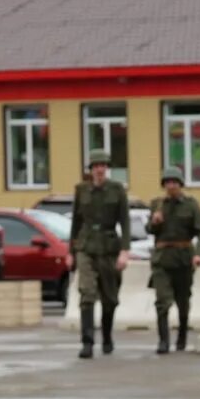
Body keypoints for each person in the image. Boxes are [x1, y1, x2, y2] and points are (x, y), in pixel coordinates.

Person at [65, 149, 131, 359]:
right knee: (87, 293)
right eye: (96, 166)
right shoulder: (81, 190)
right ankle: (87, 342)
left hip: (109, 248)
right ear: (91, 170)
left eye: (103, 166)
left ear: (107, 168)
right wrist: (71, 252)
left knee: (110, 298)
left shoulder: (117, 189)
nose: (100, 170)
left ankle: (108, 337)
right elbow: (76, 222)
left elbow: (125, 221)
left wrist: (124, 251)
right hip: (85, 247)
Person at [146, 166, 200, 353]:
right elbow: (149, 230)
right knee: (162, 301)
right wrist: (154, 222)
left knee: (183, 300)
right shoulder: (157, 204)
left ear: (180, 184)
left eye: (174, 182)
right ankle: (163, 341)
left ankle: (181, 336)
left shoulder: (191, 204)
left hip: (183, 258)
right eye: (168, 183)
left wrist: (199, 254)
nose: (171, 186)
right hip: (162, 259)